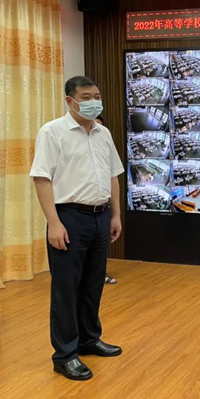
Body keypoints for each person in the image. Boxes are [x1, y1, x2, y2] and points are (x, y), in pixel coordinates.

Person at [30, 76, 124, 381]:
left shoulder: (103, 132)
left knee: (93, 284)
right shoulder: (52, 132)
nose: (94, 101)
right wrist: (54, 223)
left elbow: (113, 175)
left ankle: (89, 339)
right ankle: (65, 355)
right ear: (70, 101)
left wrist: (115, 215)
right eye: (86, 97)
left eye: (97, 96)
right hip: (68, 217)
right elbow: (42, 178)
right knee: (66, 289)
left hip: (100, 215)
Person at [94, 115, 118, 285]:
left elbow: (113, 177)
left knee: (99, 252)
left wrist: (116, 215)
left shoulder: (105, 140)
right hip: (74, 213)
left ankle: (100, 274)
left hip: (102, 210)